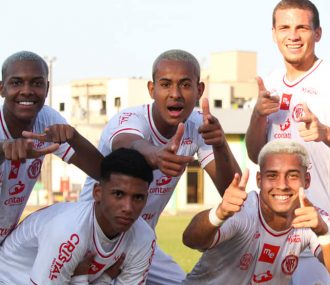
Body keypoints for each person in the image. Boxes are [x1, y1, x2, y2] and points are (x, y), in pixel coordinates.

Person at [78, 49, 240, 284]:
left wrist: (220, 144)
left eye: (185, 85)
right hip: (94, 235)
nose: (175, 94)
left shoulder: (199, 125)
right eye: (165, 84)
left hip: (139, 239)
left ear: (199, 90)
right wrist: (155, 156)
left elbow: (230, 190)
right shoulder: (130, 119)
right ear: (152, 90)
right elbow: (128, 142)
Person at [245, 1, 330, 284]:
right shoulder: (272, 82)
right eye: (285, 27)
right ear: (274, 33)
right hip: (275, 231)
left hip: (323, 229)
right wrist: (257, 115)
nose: (293, 35)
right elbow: (256, 155)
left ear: (318, 33)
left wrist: (325, 133)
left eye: (302, 27)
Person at [182, 140, 330, 285]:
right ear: (259, 180)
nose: (282, 185)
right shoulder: (243, 212)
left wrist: (324, 232)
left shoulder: (313, 219)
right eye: (272, 176)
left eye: (292, 176)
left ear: (306, 181)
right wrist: (218, 214)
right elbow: (191, 240)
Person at [0, 148, 156, 284]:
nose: (128, 208)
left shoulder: (143, 238)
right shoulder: (68, 231)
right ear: (98, 193)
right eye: (118, 194)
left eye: (138, 197)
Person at [0, 51, 103, 244]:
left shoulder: (46, 119)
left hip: (7, 241)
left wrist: (74, 137)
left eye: (37, 83)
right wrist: (3, 149)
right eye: (16, 83)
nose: (27, 90)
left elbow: (101, 172)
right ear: (2, 89)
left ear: (47, 89)